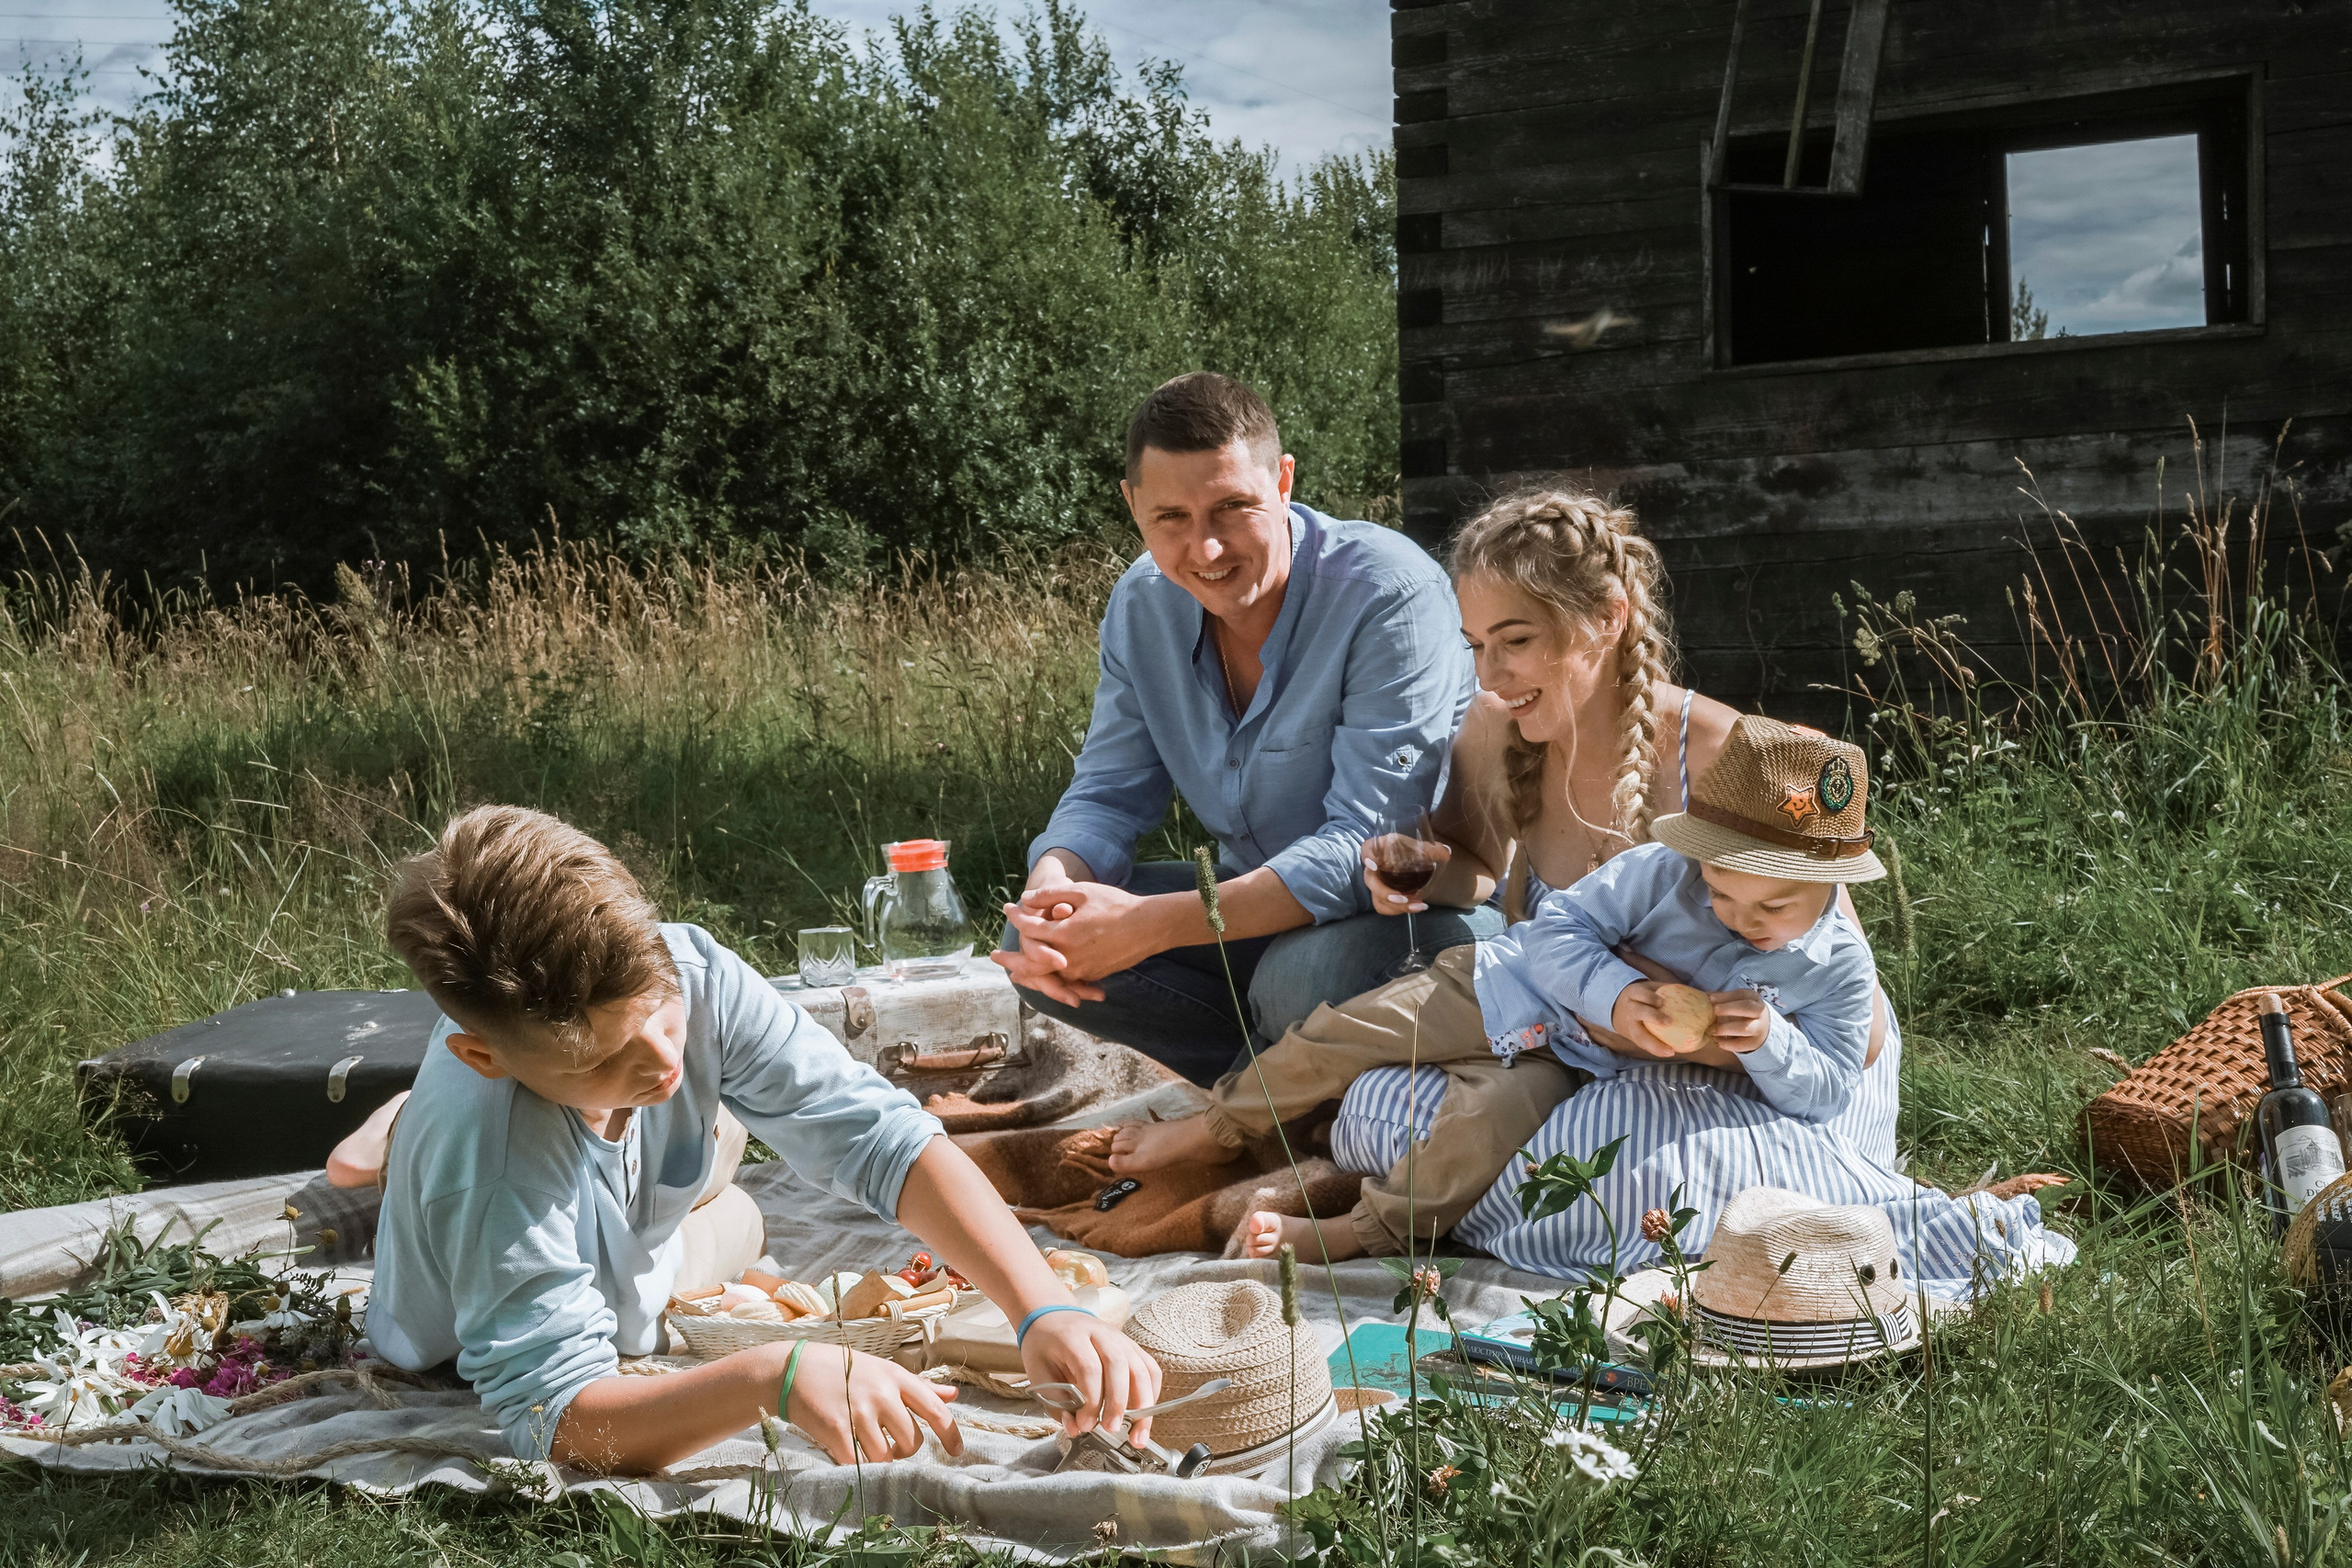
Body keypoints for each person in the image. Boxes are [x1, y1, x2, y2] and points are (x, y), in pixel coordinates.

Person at [356, 806, 1159, 1474]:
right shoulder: (491, 1162)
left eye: (663, 1015)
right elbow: (556, 1418)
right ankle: (398, 1136)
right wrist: (770, 1376)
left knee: (736, 1193)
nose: (664, 1062)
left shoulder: (689, 971)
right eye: (605, 1057)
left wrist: (1040, 1306)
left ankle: (688, 1142)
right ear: (485, 1057)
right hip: (521, 1280)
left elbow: (881, 1138)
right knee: (712, 1180)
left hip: (645, 1243)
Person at [1113, 716, 1886, 1263]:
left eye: (1772, 908)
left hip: (1584, 1064)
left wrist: (1773, 1043)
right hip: (1514, 989)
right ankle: (1219, 1124)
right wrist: (1617, 994)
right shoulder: (1661, 871)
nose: (1738, 918)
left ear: (1831, 887)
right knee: (1349, 1031)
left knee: (1485, 1124)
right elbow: (1558, 930)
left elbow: (1828, 1086)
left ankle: (1361, 1232)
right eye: (1720, 892)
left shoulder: (1840, 970)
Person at [993, 372, 1493, 1086]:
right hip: (1252, 908)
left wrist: (1147, 925)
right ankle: (1281, 1095)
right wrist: (1051, 893)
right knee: (1034, 944)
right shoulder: (1142, 605)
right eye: (1171, 517)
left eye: (1232, 506)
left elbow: (1369, 848)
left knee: (1294, 980)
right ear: (1132, 504)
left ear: (1283, 479)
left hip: (1418, 918)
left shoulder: (1389, 592)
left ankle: (1259, 1102)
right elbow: (1106, 794)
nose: (1206, 549)